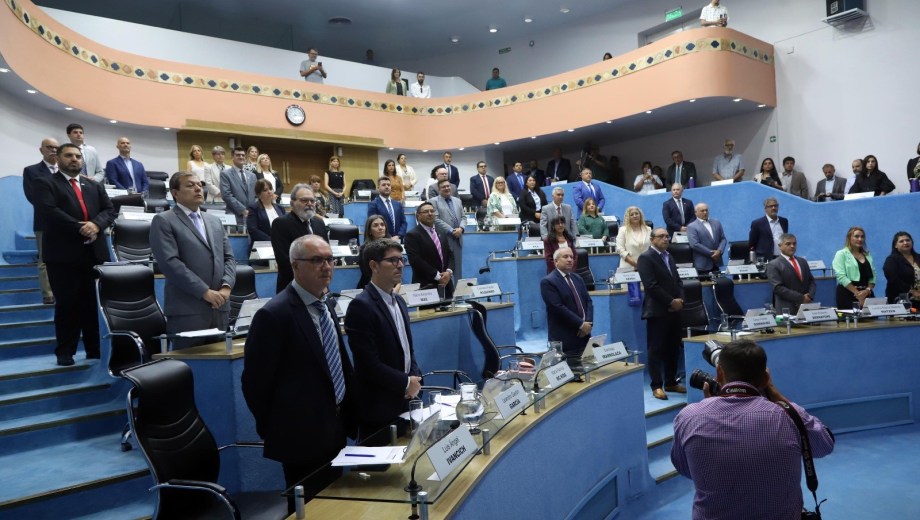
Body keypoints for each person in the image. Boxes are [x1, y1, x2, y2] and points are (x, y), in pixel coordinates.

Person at [241, 235, 355, 513]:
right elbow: (255, 384)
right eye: (317, 260)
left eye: (330, 259)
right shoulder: (274, 315)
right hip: (300, 436)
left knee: (333, 505)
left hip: (334, 426)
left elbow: (339, 364)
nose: (327, 266)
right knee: (307, 509)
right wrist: (280, 428)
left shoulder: (326, 305)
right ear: (295, 267)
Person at [671, 339, 835, 520]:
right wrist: (777, 396)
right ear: (766, 378)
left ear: (719, 373)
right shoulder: (789, 416)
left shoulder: (689, 417)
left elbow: (686, 469)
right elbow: (824, 445)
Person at [32, 143, 115, 366]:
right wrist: (81, 226)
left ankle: (94, 349)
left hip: (94, 254)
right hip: (63, 254)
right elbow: (49, 211)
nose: (75, 159)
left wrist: (96, 225)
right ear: (58, 159)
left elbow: (109, 210)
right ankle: (65, 351)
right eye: (69, 156)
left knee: (92, 304)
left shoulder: (93, 184)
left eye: (78, 156)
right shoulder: (46, 182)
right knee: (67, 304)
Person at [345, 238, 422, 443]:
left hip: (406, 400)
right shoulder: (361, 306)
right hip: (379, 406)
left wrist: (414, 376)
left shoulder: (400, 301)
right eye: (392, 260)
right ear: (373, 266)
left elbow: (407, 350)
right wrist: (406, 382)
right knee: (382, 472)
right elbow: (368, 364)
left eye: (402, 259)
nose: (400, 264)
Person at [150, 172, 235, 350]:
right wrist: (205, 292)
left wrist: (226, 287)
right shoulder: (164, 220)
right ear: (175, 193)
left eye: (199, 185)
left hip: (220, 308)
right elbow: (170, 264)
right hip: (188, 312)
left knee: (219, 372)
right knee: (190, 370)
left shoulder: (214, 221)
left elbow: (229, 258)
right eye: (190, 185)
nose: (198, 188)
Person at [637, 228, 685, 400]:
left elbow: (678, 281)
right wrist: (671, 302)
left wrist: (680, 300)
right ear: (652, 239)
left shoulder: (669, 256)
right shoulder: (645, 257)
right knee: (655, 349)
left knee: (673, 348)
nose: (666, 239)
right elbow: (651, 285)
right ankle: (656, 385)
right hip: (657, 310)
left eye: (667, 236)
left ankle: (671, 382)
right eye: (661, 236)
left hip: (675, 310)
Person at [271, 184, 328, 293]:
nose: (310, 204)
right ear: (292, 203)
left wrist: (323, 281)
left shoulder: (319, 223)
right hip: (293, 288)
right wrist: (312, 280)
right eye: (304, 200)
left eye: (312, 200)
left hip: (319, 287)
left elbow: (327, 255)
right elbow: (285, 262)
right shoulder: (281, 224)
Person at [22, 137, 59, 305]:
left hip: (69, 222)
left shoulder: (66, 171)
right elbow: (33, 196)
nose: (53, 150)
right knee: (45, 259)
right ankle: (48, 293)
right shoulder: (31, 171)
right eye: (49, 147)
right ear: (41, 150)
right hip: (44, 221)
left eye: (56, 147)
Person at [540, 247, 594, 361]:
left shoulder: (578, 278)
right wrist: (581, 324)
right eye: (565, 257)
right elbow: (557, 308)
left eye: (572, 257)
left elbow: (588, 301)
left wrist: (588, 324)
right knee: (569, 374)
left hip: (584, 335)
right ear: (556, 261)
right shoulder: (548, 282)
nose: (570, 260)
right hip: (564, 337)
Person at [404, 202, 454, 298]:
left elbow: (450, 255)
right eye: (426, 212)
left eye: (432, 211)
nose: (430, 213)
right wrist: (438, 276)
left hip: (446, 284)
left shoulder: (441, 232)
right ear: (418, 216)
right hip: (426, 286)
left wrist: (448, 272)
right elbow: (415, 260)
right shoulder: (412, 235)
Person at [766, 233, 816, 314]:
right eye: (788, 244)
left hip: (806, 308)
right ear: (780, 246)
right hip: (787, 309)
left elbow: (812, 282)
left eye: (794, 243)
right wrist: (801, 298)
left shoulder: (802, 261)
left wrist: (809, 296)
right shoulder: (774, 264)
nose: (792, 246)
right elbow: (778, 288)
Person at [832, 226, 876, 309]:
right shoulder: (841, 254)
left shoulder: (867, 255)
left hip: (867, 293)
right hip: (848, 293)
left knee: (871, 319)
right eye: (856, 236)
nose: (860, 239)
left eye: (862, 237)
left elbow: (873, 276)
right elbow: (841, 277)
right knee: (853, 321)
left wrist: (867, 291)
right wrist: (858, 295)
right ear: (849, 238)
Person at [429, 178, 465, 278]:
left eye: (448, 186)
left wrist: (461, 229)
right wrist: (451, 230)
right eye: (443, 187)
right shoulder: (433, 201)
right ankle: (446, 292)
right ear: (439, 189)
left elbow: (464, 217)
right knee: (444, 268)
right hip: (443, 239)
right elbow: (435, 219)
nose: (447, 188)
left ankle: (458, 293)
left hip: (458, 239)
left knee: (458, 269)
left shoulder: (458, 201)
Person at [220, 146, 256, 227]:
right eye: (238, 155)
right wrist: (243, 210)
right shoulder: (225, 174)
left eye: (243, 155)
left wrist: (253, 211)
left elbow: (256, 195)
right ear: (232, 157)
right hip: (234, 215)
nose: (241, 157)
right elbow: (226, 195)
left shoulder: (252, 175)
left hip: (252, 216)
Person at [687, 203, 727, 274]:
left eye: (706, 210)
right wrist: (712, 253)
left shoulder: (716, 223)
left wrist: (719, 251)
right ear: (695, 213)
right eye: (702, 211)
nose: (705, 212)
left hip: (716, 263)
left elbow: (723, 239)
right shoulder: (692, 226)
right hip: (703, 264)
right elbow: (695, 244)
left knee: (720, 283)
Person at [883, 231, 920, 305]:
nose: (905, 243)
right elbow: (893, 279)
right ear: (895, 245)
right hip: (900, 300)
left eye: (908, 240)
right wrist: (912, 291)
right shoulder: (891, 260)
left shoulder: (918, 257)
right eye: (901, 241)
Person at [246, 179, 285, 246]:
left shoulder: (280, 208)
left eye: (270, 189)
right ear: (259, 194)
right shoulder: (253, 208)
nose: (269, 192)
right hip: (262, 246)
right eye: (265, 190)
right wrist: (272, 241)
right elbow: (253, 230)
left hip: (281, 245)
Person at [357, 215, 391, 290]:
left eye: (382, 225)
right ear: (369, 231)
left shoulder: (391, 247)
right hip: (370, 287)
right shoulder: (365, 249)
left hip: (390, 286)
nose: (380, 228)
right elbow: (367, 274)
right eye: (375, 225)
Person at [367, 175, 406, 240]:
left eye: (388, 185)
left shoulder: (398, 204)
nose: (387, 187)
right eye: (384, 185)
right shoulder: (373, 204)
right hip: (382, 240)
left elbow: (404, 223)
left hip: (398, 240)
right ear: (378, 188)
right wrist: (389, 238)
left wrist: (399, 236)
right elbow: (373, 224)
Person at [616, 206, 652, 271]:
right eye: (632, 214)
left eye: (636, 213)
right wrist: (636, 264)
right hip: (628, 267)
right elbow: (620, 250)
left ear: (640, 215)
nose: (635, 216)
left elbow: (652, 248)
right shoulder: (623, 230)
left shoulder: (648, 229)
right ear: (628, 217)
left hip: (647, 266)